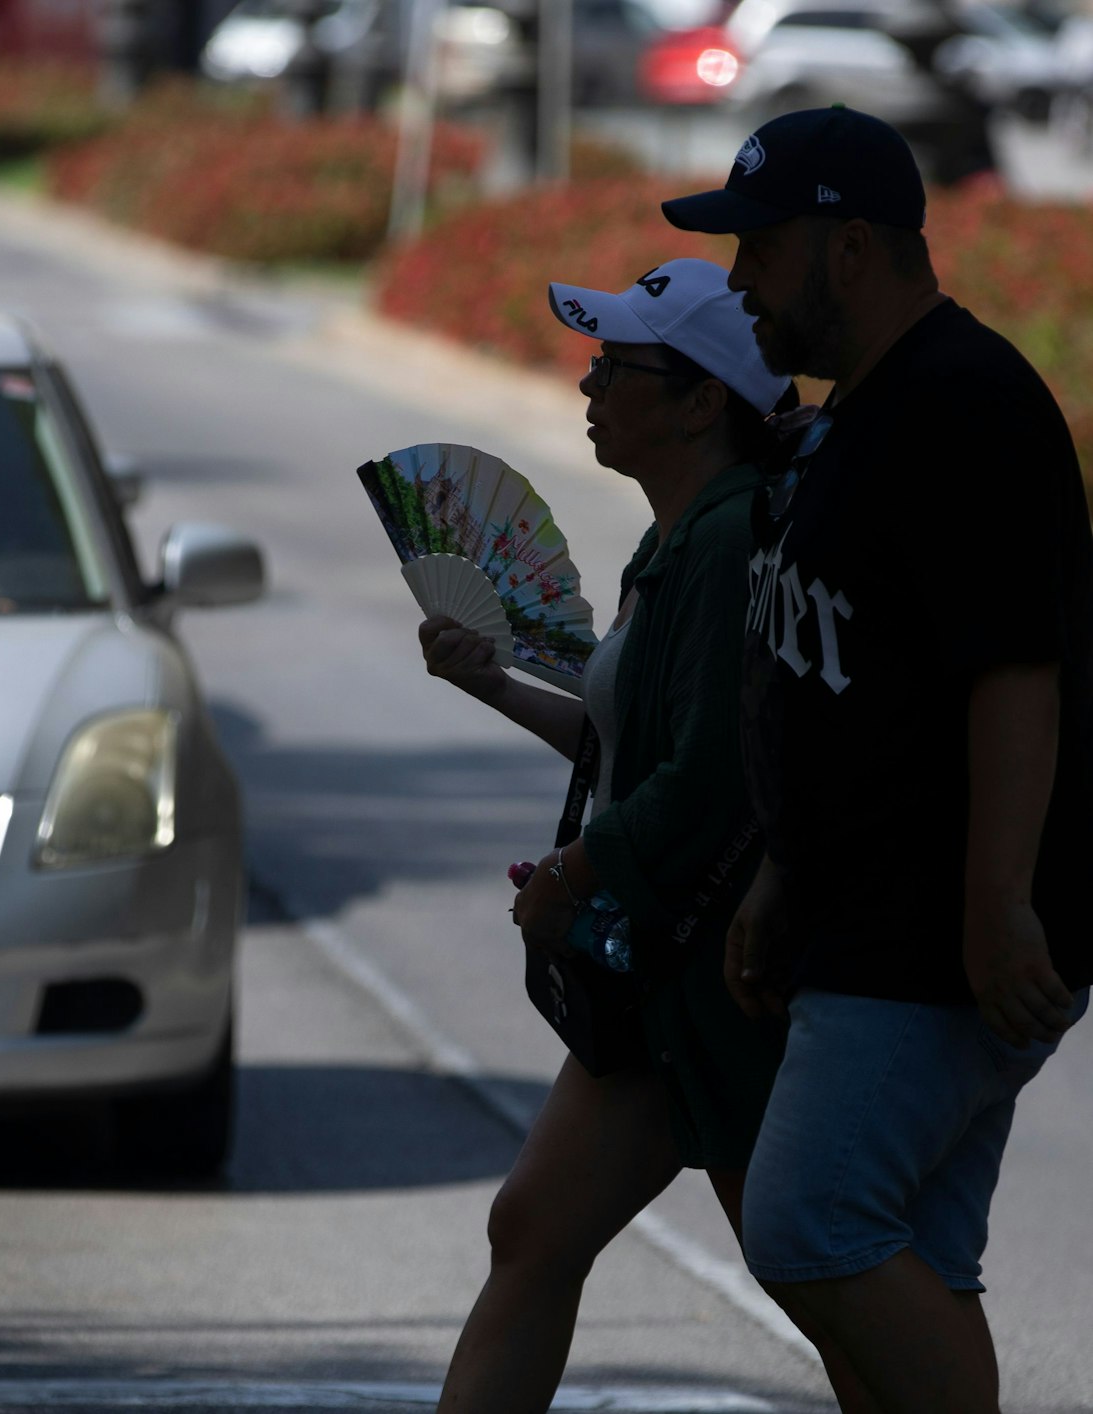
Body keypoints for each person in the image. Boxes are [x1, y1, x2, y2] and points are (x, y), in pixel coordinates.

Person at [663, 107, 1093, 1412]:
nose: (739, 281)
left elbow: (1014, 671)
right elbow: (841, 690)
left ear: (847, 248)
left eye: (758, 249)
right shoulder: (862, 415)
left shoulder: (965, 405)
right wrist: (784, 873)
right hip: (864, 909)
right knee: (910, 1252)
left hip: (935, 925)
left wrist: (994, 900)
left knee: (805, 1221)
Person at [419, 259, 836, 1413]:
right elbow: (635, 753)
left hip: (718, 976)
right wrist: (493, 683)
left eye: (618, 364)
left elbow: (709, 778)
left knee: (825, 1277)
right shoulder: (675, 540)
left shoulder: (719, 545)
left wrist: (570, 871)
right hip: (663, 974)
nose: (590, 382)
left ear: (701, 401)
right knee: (533, 1231)